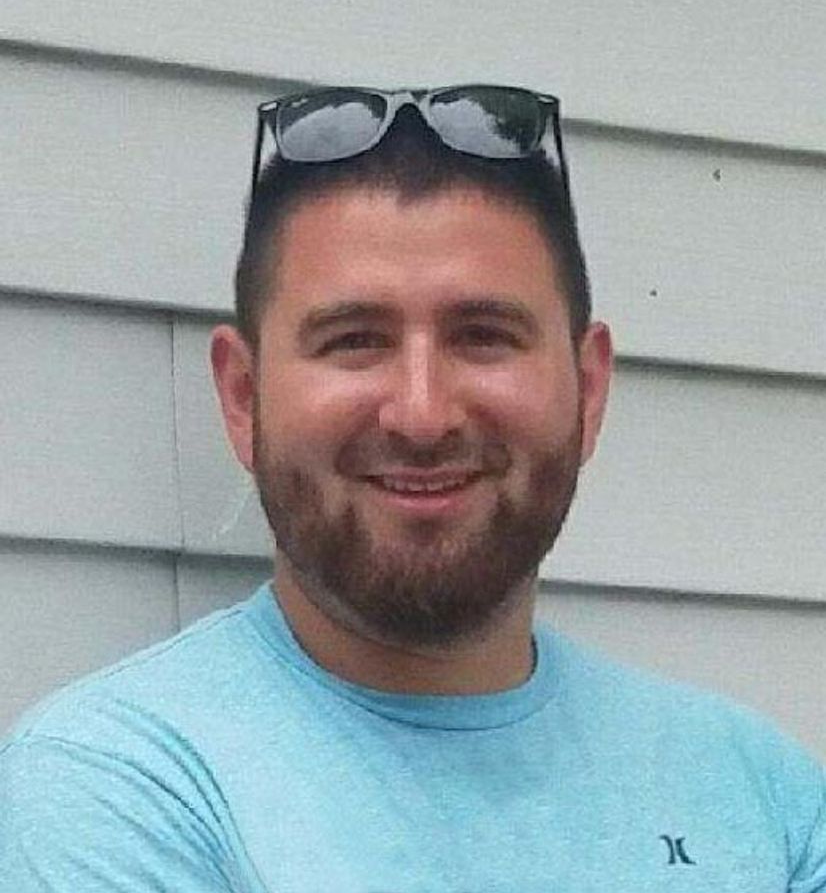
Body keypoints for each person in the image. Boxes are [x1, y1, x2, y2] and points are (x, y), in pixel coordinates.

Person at [0, 85, 823, 892]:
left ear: (589, 388)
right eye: (354, 340)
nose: (422, 416)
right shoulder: (115, 789)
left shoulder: (762, 799)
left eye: (484, 336)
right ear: (243, 397)